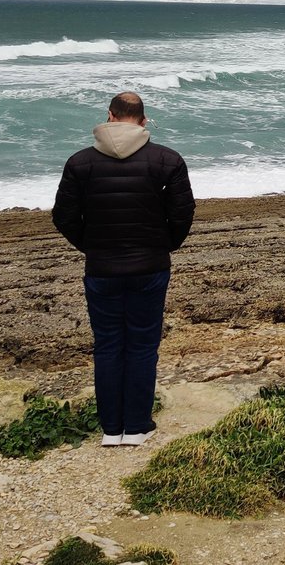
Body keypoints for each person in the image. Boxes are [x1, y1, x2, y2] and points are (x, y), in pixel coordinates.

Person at [52, 91, 195, 447]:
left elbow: (64, 217)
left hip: (102, 269)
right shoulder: (168, 160)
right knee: (143, 345)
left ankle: (111, 429)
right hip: (150, 266)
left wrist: (93, 246)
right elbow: (182, 215)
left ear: (109, 117)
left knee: (108, 345)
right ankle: (137, 427)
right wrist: (162, 246)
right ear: (143, 121)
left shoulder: (80, 162)